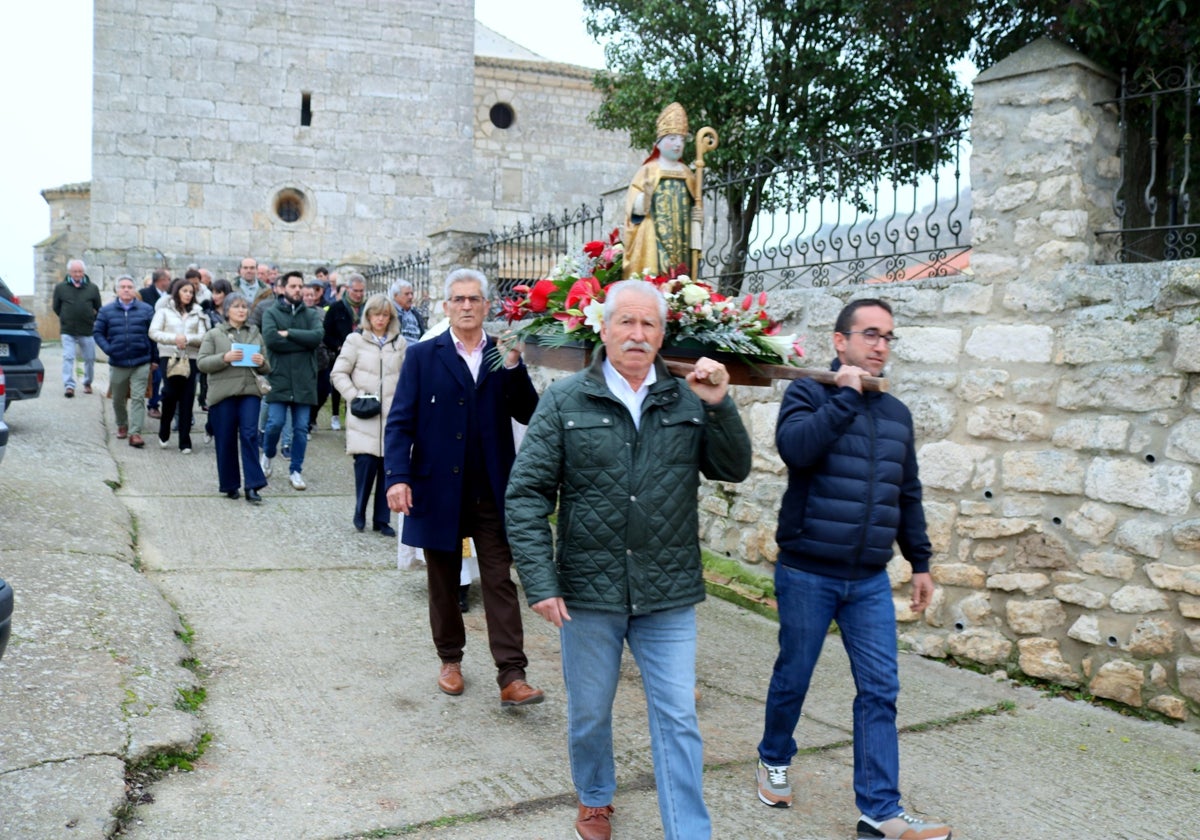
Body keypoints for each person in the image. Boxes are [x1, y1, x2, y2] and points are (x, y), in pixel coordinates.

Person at [505, 279, 751, 840]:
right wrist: (541, 581)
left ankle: (688, 832)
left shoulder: (689, 397)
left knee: (679, 720)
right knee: (590, 713)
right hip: (588, 592)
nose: (637, 335)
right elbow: (526, 495)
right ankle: (595, 797)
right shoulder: (566, 400)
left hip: (667, 592)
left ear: (663, 335)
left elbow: (732, 469)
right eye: (626, 323)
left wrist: (722, 407)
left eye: (649, 325)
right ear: (605, 328)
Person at [755, 299, 951, 840]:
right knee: (794, 674)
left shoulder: (896, 413)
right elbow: (797, 450)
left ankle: (880, 810)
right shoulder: (808, 392)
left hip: (867, 578)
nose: (881, 345)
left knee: (880, 689)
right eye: (870, 334)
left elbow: (905, 492)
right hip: (807, 571)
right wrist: (844, 394)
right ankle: (773, 756)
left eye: (888, 336)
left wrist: (920, 561)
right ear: (840, 341)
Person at [384, 268, 542, 707]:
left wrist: (513, 367)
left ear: (487, 306)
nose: (467, 306)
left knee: (499, 580)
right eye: (459, 299)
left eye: (475, 299)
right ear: (446, 306)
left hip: (491, 489)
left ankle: (512, 674)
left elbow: (529, 412)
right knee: (443, 580)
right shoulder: (423, 356)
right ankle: (450, 659)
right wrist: (398, 477)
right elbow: (400, 423)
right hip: (437, 490)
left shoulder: (503, 354)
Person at [331, 294, 406, 534]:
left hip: (391, 416)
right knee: (365, 466)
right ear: (368, 316)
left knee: (388, 468)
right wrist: (355, 395)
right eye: (376, 315)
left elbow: (407, 377)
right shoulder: (355, 341)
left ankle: (382, 520)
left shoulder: (400, 343)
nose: (380, 320)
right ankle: (359, 511)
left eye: (385, 315)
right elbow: (338, 373)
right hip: (365, 415)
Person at [197, 293, 271, 503]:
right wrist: (225, 358)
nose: (242, 310)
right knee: (226, 438)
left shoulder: (255, 332)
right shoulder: (214, 334)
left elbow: (267, 366)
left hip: (249, 392)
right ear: (227, 310)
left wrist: (260, 361)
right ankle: (230, 484)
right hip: (223, 393)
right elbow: (202, 363)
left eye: (244, 307)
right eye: (237, 307)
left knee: (249, 435)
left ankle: (253, 485)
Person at [261, 270, 324, 491]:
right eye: (293, 286)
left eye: (300, 286)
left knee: (300, 429)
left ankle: (295, 470)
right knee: (275, 422)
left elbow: (316, 338)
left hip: (304, 380)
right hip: (279, 378)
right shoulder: (271, 313)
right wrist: (300, 341)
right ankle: (268, 454)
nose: (298, 290)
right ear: (282, 288)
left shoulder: (311, 314)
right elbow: (271, 340)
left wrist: (288, 333)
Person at [622, 102, 699, 281]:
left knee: (681, 275)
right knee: (655, 273)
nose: (678, 144)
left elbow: (694, 205)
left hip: (682, 238)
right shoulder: (647, 170)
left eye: (681, 139)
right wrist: (646, 196)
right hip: (653, 238)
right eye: (672, 138)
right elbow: (633, 211)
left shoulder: (688, 173)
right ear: (659, 142)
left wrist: (697, 215)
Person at [93, 275, 157, 448]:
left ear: (134, 289)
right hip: (118, 361)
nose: (126, 289)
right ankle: (122, 424)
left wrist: (154, 359)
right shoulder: (106, 311)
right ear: (117, 290)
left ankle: (135, 433)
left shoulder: (146, 310)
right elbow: (98, 332)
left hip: (141, 360)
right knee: (118, 398)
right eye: (123, 287)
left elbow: (153, 335)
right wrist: (109, 349)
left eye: (130, 286)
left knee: (137, 398)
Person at [149, 278, 207, 453]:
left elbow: (204, 336)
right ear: (177, 292)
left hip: (190, 357)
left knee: (188, 397)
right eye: (185, 291)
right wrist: (174, 339)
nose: (188, 295)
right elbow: (154, 332)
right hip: (170, 356)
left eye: (191, 292)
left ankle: (185, 439)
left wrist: (187, 339)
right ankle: (164, 429)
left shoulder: (198, 312)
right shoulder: (164, 311)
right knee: (170, 394)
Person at [322, 273, 367, 431]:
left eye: (362, 291)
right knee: (338, 384)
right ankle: (335, 414)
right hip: (341, 351)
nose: (359, 294)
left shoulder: (367, 308)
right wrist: (337, 346)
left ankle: (352, 418)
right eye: (356, 290)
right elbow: (326, 333)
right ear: (348, 289)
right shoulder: (337, 308)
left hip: (363, 352)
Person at [52, 258, 102, 397]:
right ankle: (69, 385)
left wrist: (92, 320)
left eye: (80, 271)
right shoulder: (61, 288)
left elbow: (99, 308)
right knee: (68, 357)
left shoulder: (92, 288)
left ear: (83, 272)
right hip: (68, 330)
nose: (77, 274)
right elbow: (56, 307)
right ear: (69, 272)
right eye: (75, 271)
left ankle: (87, 382)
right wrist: (65, 318)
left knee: (90, 358)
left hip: (87, 330)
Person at [141, 268, 172, 418]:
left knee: (163, 376)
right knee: (155, 375)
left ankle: (157, 403)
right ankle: (152, 405)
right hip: (149, 339)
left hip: (167, 339)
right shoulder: (144, 294)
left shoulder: (171, 295)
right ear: (161, 281)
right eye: (168, 279)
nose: (170, 282)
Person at [390, 279, 427, 343]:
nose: (410, 297)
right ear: (396, 296)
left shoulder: (415, 314)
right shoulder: (390, 312)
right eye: (406, 294)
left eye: (411, 294)